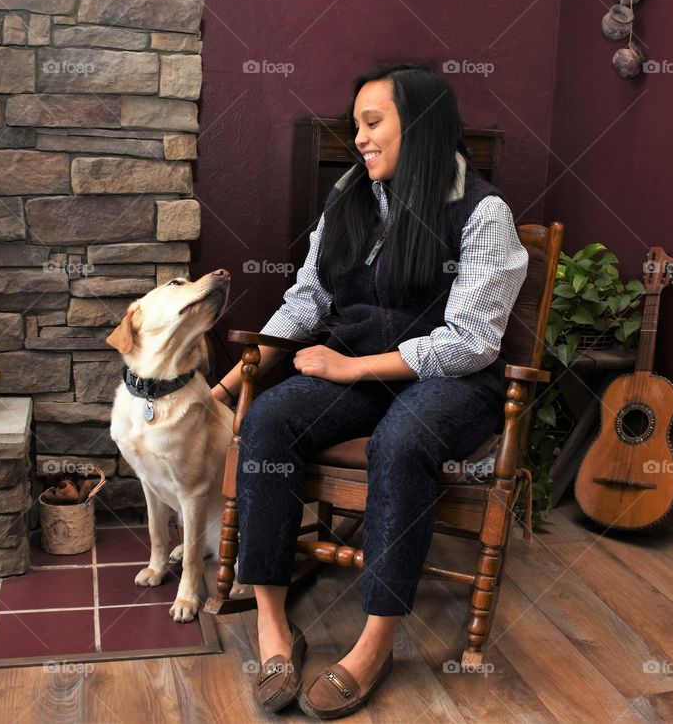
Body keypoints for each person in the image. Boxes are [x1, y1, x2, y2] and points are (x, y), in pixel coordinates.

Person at [210, 63, 528, 719]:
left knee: (402, 439)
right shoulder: (350, 196)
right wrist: (234, 377)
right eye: (356, 124)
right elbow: (308, 298)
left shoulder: (482, 212)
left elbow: (471, 341)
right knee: (268, 417)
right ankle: (274, 623)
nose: (358, 138)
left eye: (372, 122)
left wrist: (354, 368)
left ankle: (374, 640)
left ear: (423, 126)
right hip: (357, 367)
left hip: (452, 382)